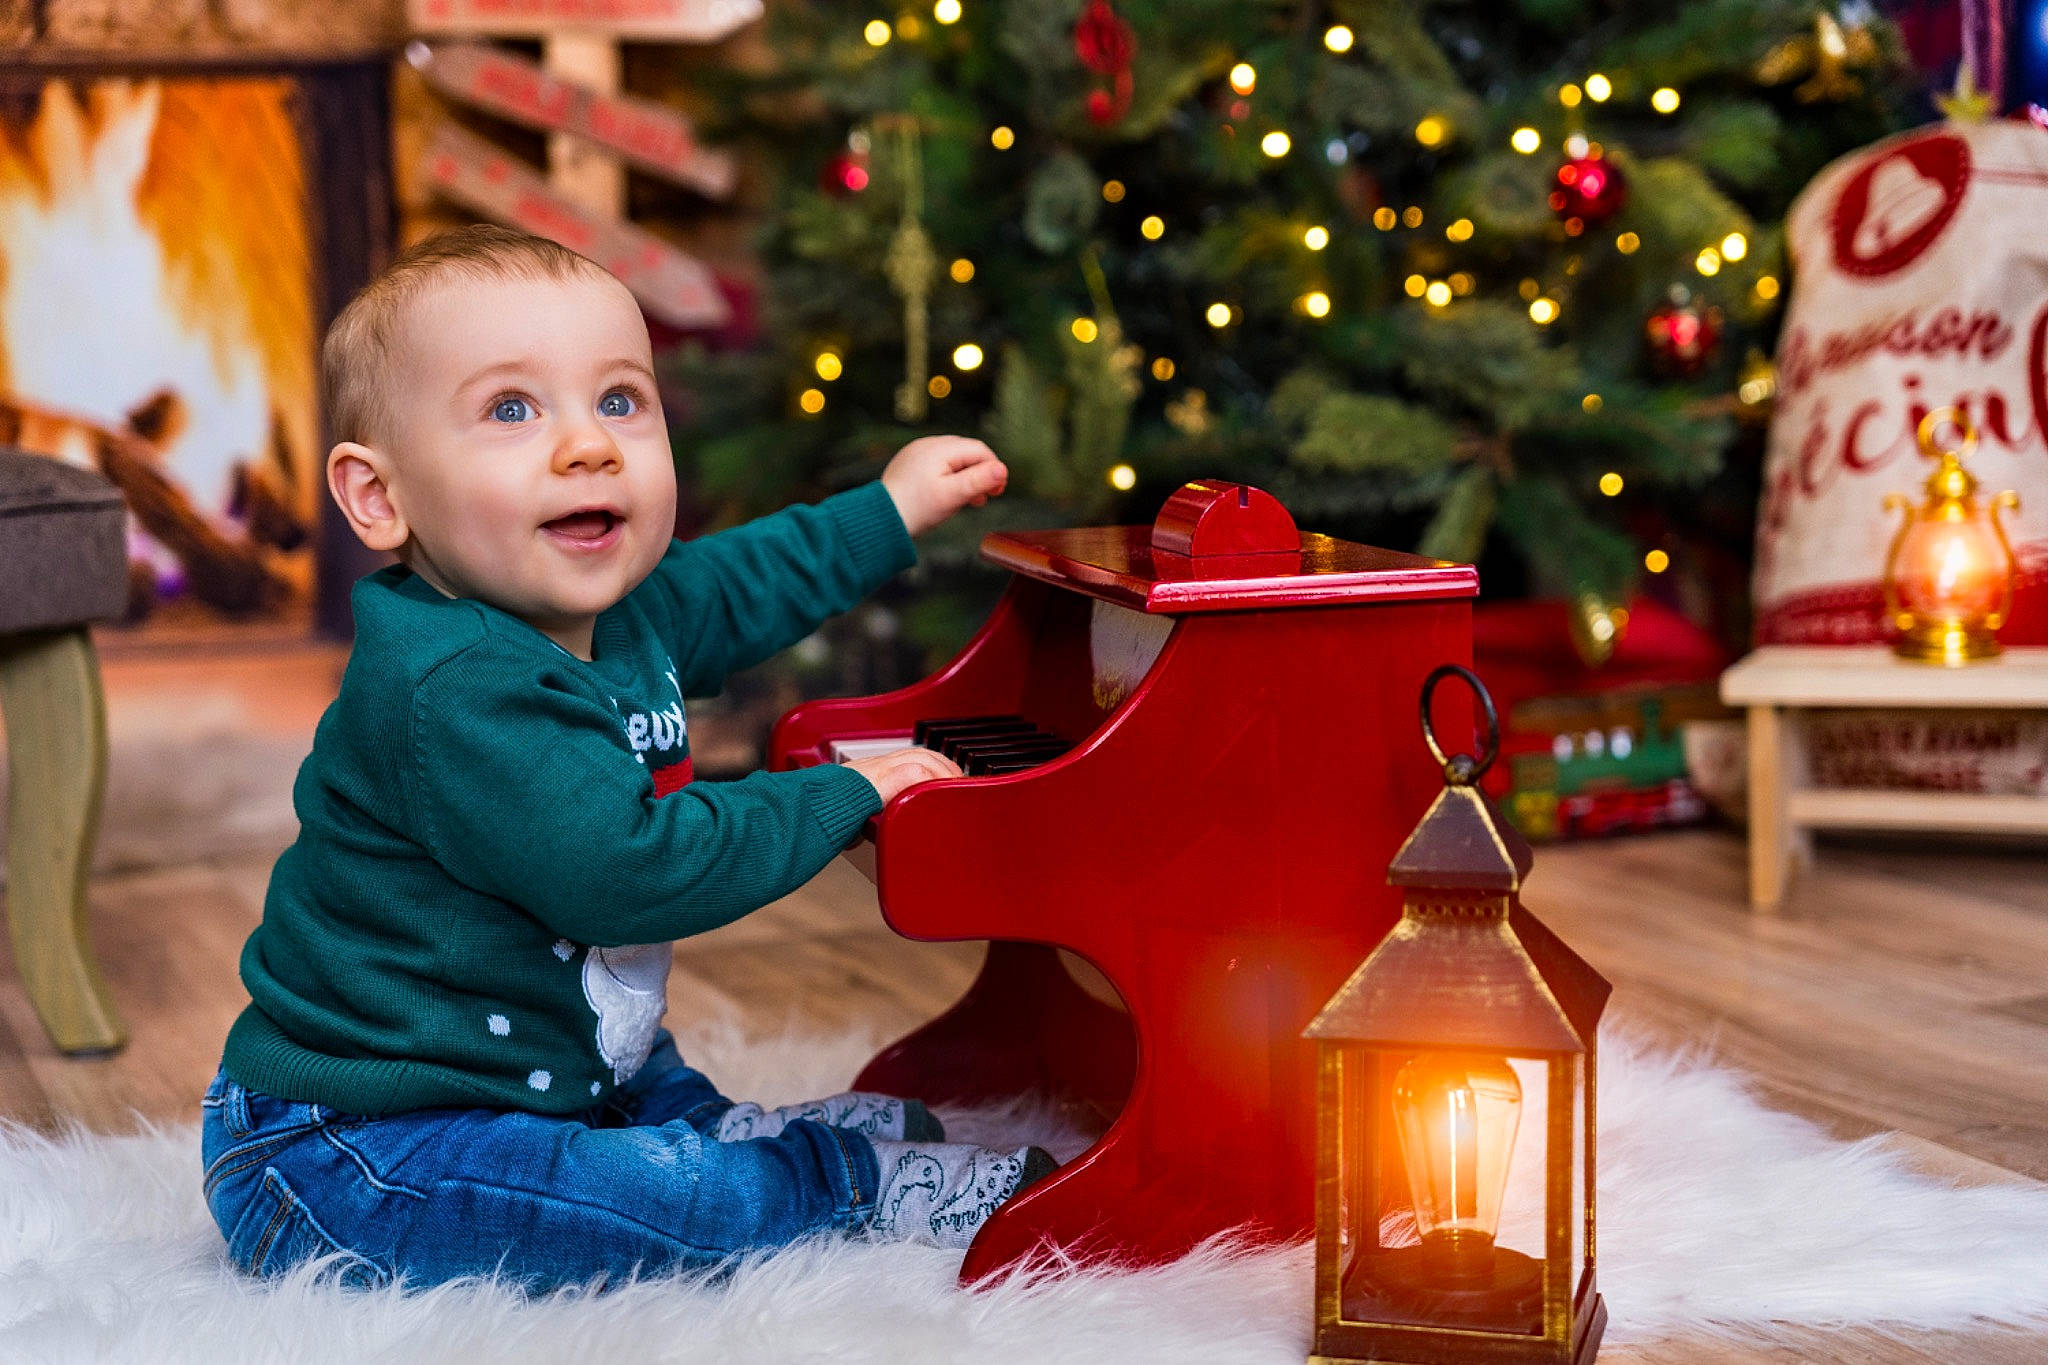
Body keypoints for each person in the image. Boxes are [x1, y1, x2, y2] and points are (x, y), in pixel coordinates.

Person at [199, 224, 1052, 1291]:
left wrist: (887, 509)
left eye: (619, 401)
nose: (588, 445)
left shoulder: (618, 609)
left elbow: (745, 582)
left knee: (639, 1068)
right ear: (381, 498)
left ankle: (705, 1126)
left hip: (536, 1071)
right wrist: (831, 796)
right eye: (512, 410)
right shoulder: (454, 684)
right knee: (668, 1206)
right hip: (358, 1146)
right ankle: (831, 1180)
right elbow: (625, 873)